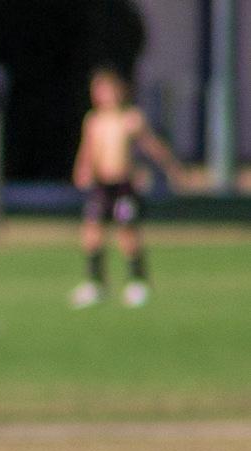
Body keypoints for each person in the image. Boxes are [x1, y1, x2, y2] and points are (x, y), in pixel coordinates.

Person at [72, 68, 182, 309]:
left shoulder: (130, 119)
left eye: (108, 90)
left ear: (119, 91)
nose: (103, 95)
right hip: (102, 185)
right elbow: (88, 150)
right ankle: (95, 283)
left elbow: (151, 146)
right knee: (92, 233)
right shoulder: (94, 121)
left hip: (124, 186)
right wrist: (82, 169)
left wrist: (171, 166)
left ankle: (137, 281)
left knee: (127, 233)